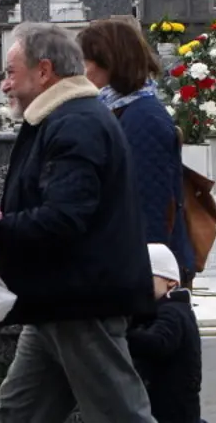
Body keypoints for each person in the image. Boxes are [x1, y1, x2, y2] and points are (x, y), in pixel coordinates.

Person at [0, 22, 156, 423]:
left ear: (44, 71)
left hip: (81, 300)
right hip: (55, 299)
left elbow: (63, 219)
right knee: (16, 414)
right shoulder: (62, 117)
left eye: (10, 73)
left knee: (120, 416)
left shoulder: (76, 122)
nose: (5, 85)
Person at [77, 19, 193, 285]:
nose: (80, 71)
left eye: (85, 61)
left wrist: (150, 276)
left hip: (149, 271)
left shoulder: (143, 118)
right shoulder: (121, 109)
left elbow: (150, 202)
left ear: (109, 62)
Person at [127, 244, 202, 423]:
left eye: (147, 277)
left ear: (171, 282)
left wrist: (121, 335)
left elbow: (159, 343)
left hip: (172, 412)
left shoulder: (173, 311)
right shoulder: (160, 311)